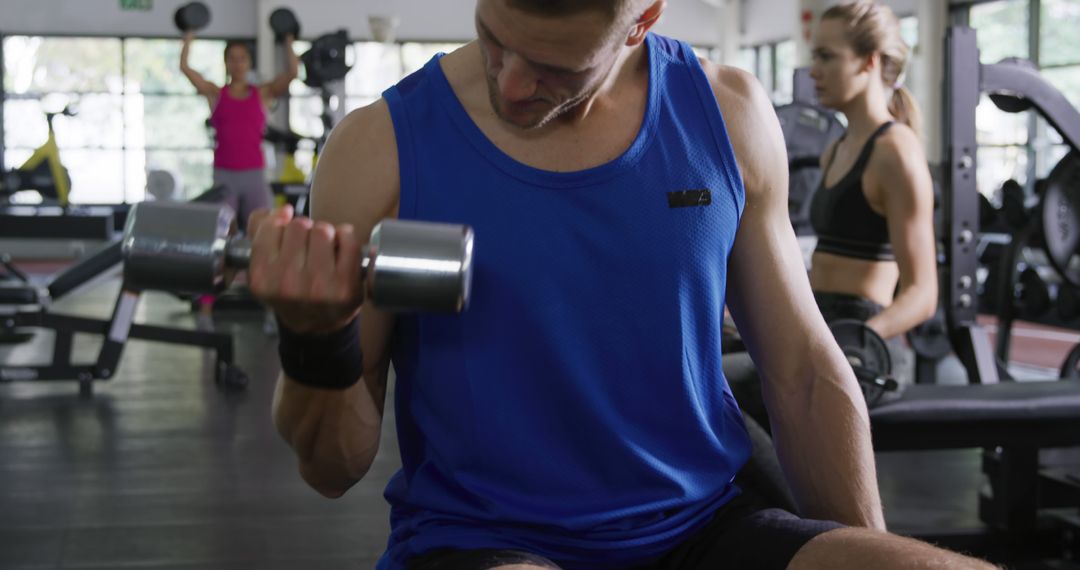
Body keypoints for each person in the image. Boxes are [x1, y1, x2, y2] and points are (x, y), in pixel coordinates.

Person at [251, 1, 988, 568]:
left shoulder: (724, 114)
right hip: (482, 540)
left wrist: (854, 547)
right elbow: (332, 468)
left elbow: (801, 372)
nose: (511, 85)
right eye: (494, 37)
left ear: (643, 21)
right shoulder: (377, 148)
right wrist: (317, 339)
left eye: (555, 70)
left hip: (703, 527)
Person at [727, 0, 938, 419]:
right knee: (700, 372)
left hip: (864, 342)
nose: (813, 71)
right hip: (821, 319)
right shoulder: (837, 149)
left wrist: (858, 337)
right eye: (813, 56)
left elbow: (923, 294)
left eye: (826, 56)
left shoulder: (895, 151)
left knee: (726, 396)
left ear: (869, 63)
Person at [180, 31, 299, 321]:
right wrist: (189, 35)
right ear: (226, 63)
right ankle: (206, 306)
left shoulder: (263, 94)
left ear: (248, 63)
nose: (237, 63)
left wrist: (288, 38)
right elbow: (185, 67)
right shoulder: (215, 94)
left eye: (242, 58)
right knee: (216, 242)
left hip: (254, 177)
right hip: (224, 178)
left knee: (267, 238)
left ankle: (274, 312)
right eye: (232, 59)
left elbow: (293, 72)